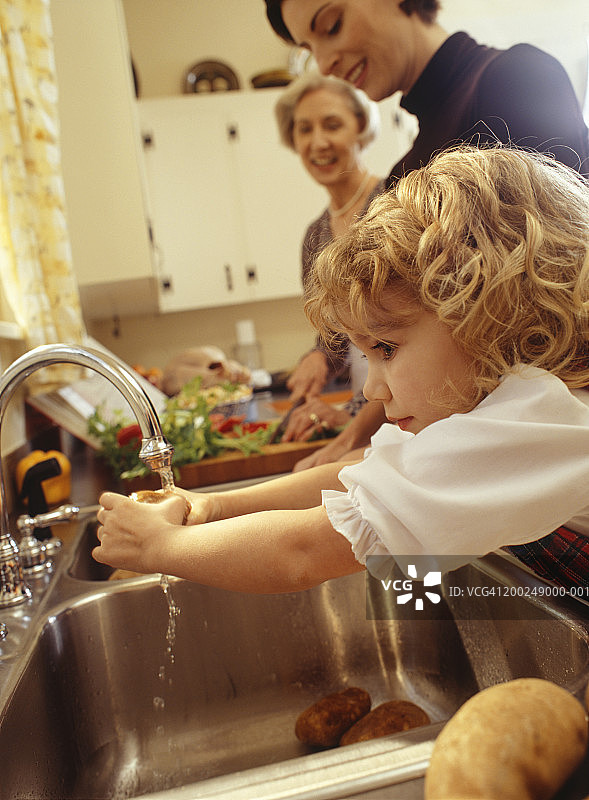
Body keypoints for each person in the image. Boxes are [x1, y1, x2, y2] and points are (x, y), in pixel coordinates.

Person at [94, 146, 589, 593]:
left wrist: (155, 547)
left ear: (487, 316)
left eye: (388, 349)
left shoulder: (542, 417)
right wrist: (216, 506)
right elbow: (362, 472)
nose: (373, 388)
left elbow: (302, 554)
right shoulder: (512, 405)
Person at [263, 0, 589, 470]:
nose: (324, 62)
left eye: (331, 26)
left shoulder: (515, 76)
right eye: (310, 47)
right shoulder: (408, 169)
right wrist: (354, 438)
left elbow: (552, 311)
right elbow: (405, 340)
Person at [274, 72, 384, 441]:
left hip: (420, 408)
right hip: (370, 410)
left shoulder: (395, 201)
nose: (318, 142)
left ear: (361, 128)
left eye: (332, 125)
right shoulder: (315, 236)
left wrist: (351, 421)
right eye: (304, 129)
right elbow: (336, 337)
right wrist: (319, 356)